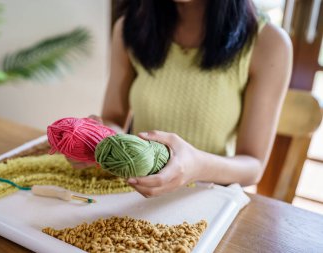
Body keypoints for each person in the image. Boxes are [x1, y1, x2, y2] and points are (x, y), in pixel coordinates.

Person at [73, 0, 292, 198]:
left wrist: (197, 166)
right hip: (133, 194)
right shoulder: (130, 28)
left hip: (208, 200)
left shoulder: (269, 43)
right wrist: (98, 140)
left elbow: (253, 166)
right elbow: (114, 119)